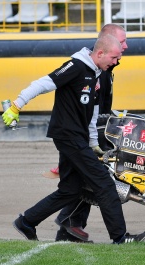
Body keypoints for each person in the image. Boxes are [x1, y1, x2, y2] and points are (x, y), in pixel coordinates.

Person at [2, 34, 145, 244]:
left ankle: (27, 221)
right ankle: (120, 238)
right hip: (68, 136)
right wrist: (17, 106)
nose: (117, 62)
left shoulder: (96, 72)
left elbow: (92, 113)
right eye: (114, 57)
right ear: (100, 53)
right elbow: (43, 83)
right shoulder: (76, 66)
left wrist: (94, 144)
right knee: (105, 185)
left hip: (77, 138)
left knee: (71, 190)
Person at [53, 24, 129, 243]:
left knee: (88, 181)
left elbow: (99, 107)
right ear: (107, 43)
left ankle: (69, 225)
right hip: (85, 135)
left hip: (90, 134)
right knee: (94, 181)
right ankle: (69, 222)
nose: (126, 46)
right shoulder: (94, 70)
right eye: (122, 42)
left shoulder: (106, 67)